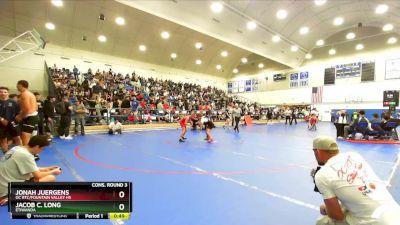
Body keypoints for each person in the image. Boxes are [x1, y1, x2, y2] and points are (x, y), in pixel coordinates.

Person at [311, 136, 400, 225]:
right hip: (394, 212)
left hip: (375, 221)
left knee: (322, 222)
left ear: (318, 152)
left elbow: (337, 215)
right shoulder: (354, 155)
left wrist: (326, 209)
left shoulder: (322, 175)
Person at [0, 135, 62, 206]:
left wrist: (46, 169)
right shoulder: (26, 155)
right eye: (42, 149)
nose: (41, 151)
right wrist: (53, 171)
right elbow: (38, 175)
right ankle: (10, 197)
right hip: (6, 188)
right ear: (36, 146)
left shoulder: (18, 148)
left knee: (37, 175)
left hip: (4, 181)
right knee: (51, 178)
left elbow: (30, 168)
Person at [15, 80, 39, 146]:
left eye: (17, 85)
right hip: (34, 117)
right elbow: (36, 107)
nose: (16, 87)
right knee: (32, 137)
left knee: (25, 137)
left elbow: (27, 109)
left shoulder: (24, 94)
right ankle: (33, 154)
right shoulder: (31, 94)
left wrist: (20, 116)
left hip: (30, 118)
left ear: (21, 85)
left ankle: (27, 154)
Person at [0, 87, 21, 153]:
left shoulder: (13, 102)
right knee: (3, 140)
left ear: (8, 93)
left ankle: (19, 155)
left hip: (12, 123)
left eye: (5, 92)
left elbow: (18, 113)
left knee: (17, 139)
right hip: (1, 124)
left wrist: (16, 120)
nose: (3, 93)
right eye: (1, 92)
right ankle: (6, 156)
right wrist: (1, 119)